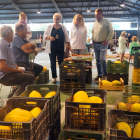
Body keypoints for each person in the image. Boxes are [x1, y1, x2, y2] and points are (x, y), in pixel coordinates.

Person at [0, 25, 35, 98]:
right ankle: (14, 98)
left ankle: (12, 95)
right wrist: (17, 70)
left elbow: (11, 61)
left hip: (10, 72)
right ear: (8, 33)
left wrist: (18, 68)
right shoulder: (2, 45)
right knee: (30, 77)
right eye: (12, 32)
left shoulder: (6, 44)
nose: (13, 34)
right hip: (5, 76)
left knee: (30, 73)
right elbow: (3, 67)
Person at [43, 13, 72, 83]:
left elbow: (67, 38)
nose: (56, 20)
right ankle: (54, 77)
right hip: (52, 49)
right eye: (55, 18)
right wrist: (50, 37)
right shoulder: (49, 27)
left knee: (61, 63)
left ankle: (62, 76)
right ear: (53, 19)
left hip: (60, 49)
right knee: (52, 63)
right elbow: (45, 36)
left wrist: (69, 47)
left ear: (60, 19)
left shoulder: (63, 28)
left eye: (57, 19)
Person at [92, 8, 114, 81]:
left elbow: (111, 32)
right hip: (95, 44)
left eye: (98, 14)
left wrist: (107, 40)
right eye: (95, 15)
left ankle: (105, 74)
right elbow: (93, 32)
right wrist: (92, 39)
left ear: (101, 14)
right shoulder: (95, 23)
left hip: (103, 43)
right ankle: (99, 75)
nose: (96, 16)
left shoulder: (107, 21)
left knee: (102, 59)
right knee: (97, 60)